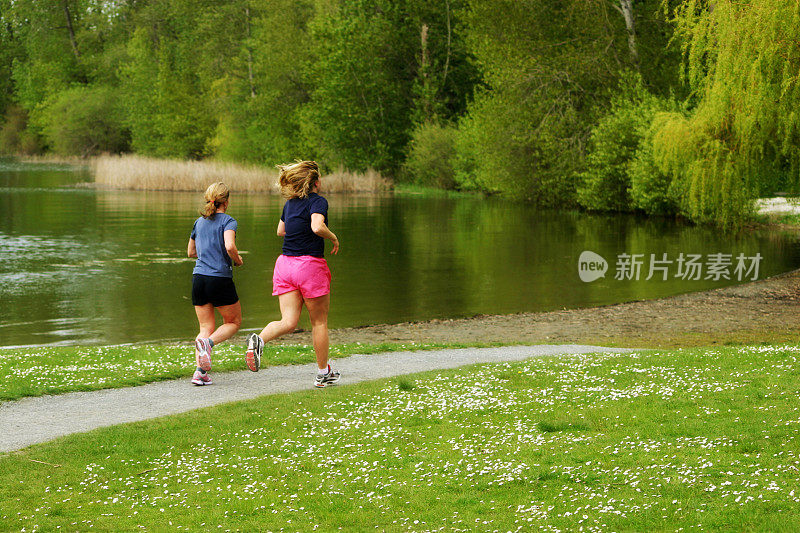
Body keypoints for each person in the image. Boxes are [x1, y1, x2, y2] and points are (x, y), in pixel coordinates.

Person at [245, 160, 340, 388]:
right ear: (316, 182)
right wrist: (333, 237)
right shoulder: (318, 202)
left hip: (285, 265)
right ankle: (321, 374)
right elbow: (317, 227)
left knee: (288, 321)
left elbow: (281, 231)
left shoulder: (290, 204)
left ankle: (259, 339)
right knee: (319, 323)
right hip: (309, 266)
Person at [187, 182, 244, 386]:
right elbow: (230, 246)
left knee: (205, 326)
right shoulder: (228, 221)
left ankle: (200, 373)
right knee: (233, 322)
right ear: (226, 202)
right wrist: (237, 260)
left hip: (198, 279)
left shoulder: (198, 222)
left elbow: (191, 252)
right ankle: (208, 344)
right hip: (219, 278)